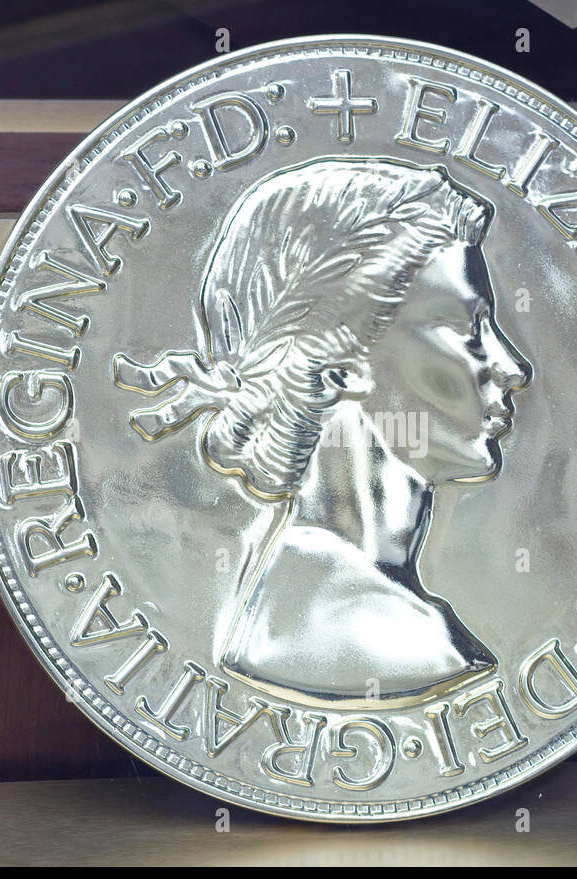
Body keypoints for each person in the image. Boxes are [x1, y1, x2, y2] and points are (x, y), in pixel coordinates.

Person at [114, 156, 532, 709]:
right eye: (466, 329)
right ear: (341, 363)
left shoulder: (332, 597)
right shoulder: (375, 629)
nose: (514, 368)